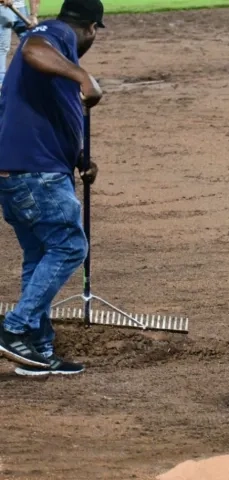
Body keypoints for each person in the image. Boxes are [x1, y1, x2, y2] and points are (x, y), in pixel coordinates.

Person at [0, 0, 105, 375]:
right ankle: (13, 328)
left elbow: (42, 119)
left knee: (40, 255)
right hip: (36, 174)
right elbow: (32, 47)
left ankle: (36, 349)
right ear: (91, 27)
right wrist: (82, 76)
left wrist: (78, 159)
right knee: (70, 245)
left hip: (19, 172)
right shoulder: (54, 35)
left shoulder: (49, 69)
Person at [0, 0, 38, 87]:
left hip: (22, 8)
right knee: (2, 46)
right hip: (2, 7)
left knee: (31, 42)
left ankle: (37, 76)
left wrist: (33, 15)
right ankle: (1, 82)